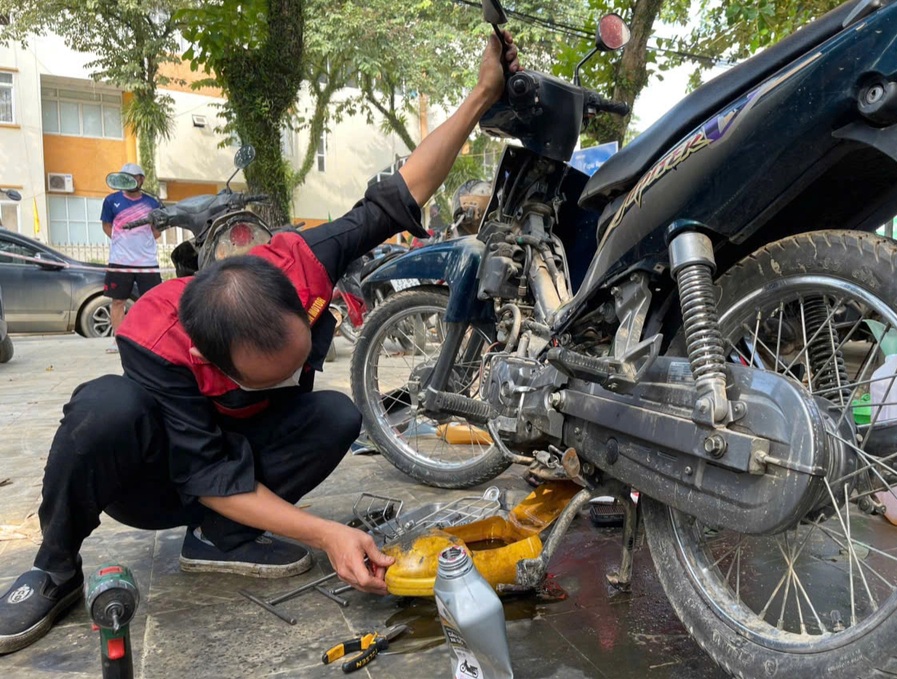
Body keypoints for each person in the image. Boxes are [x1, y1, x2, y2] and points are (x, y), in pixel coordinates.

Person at [0, 32, 520, 655]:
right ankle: (55, 565)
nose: (287, 380)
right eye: (264, 377)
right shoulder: (157, 338)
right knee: (104, 409)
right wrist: (327, 534)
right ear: (206, 357)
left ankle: (221, 535)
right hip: (157, 481)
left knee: (335, 414)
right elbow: (208, 470)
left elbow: (400, 193)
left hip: (237, 452)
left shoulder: (303, 261)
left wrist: (483, 93)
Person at [101, 163, 163, 353]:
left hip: (147, 263)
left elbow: (158, 231)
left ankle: (151, 340)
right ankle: (118, 340)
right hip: (120, 261)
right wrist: (124, 242)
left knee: (152, 303)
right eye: (126, 177)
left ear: (141, 179)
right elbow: (106, 226)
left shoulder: (153, 203)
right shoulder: (111, 201)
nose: (130, 180)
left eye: (134, 177)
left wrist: (142, 243)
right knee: (118, 301)